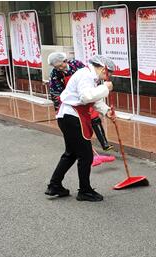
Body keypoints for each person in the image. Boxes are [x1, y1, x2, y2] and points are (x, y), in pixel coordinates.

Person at [45, 55, 116, 202]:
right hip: (72, 117)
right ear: (104, 69)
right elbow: (85, 97)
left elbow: (93, 99)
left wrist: (106, 111)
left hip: (68, 116)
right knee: (85, 155)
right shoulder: (86, 76)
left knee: (71, 153)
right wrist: (105, 88)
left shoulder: (89, 75)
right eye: (108, 73)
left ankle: (54, 185)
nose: (108, 77)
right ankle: (84, 190)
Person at [48, 52, 113, 151]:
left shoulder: (78, 66)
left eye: (61, 65)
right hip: (72, 107)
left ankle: (104, 143)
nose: (59, 68)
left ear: (65, 61)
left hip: (83, 102)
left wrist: (106, 110)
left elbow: (91, 91)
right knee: (78, 152)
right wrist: (59, 111)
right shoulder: (55, 74)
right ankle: (87, 148)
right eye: (57, 67)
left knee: (95, 119)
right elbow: (57, 93)